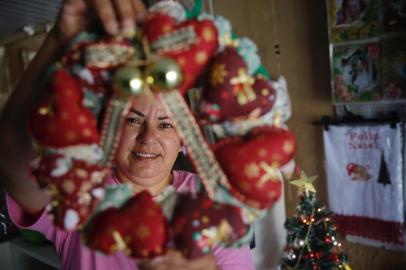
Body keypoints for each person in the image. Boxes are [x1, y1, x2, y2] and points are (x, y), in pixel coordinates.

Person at [0, 0, 255, 269]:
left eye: (166, 124)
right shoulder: (80, 189)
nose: (148, 137)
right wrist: (61, 41)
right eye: (133, 119)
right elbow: (12, 150)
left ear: (184, 139)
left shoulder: (212, 200)